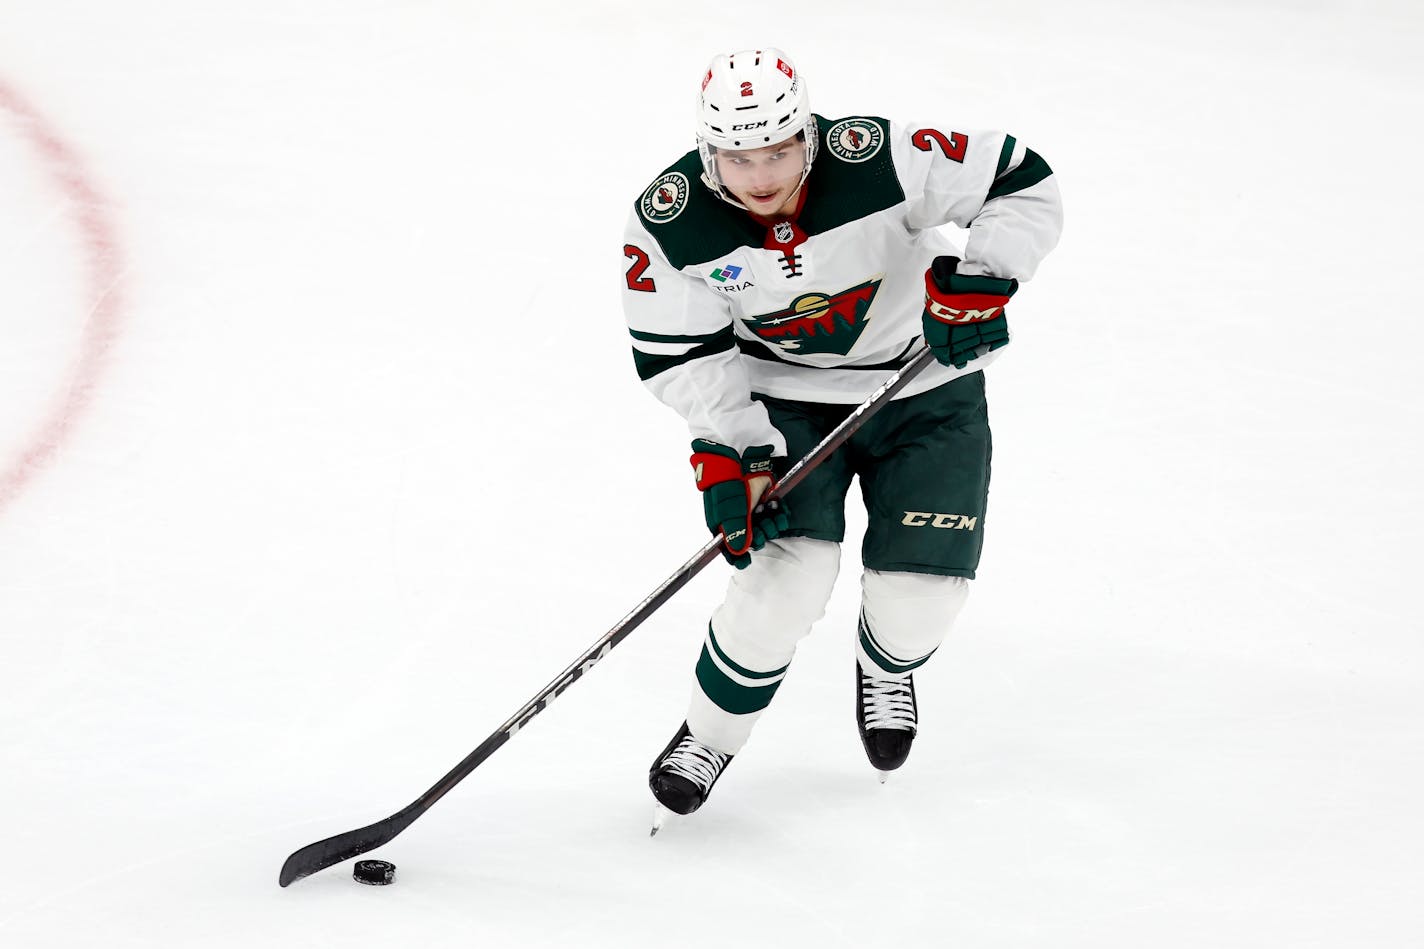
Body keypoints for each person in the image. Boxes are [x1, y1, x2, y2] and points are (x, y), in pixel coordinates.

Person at [620, 47, 1063, 821]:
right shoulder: (672, 220)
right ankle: (710, 733)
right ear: (706, 149)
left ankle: (887, 663)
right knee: (782, 584)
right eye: (736, 156)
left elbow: (1020, 180)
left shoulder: (882, 156)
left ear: (810, 135)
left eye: (779, 151)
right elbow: (683, 351)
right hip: (782, 401)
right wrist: (730, 450)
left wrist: (984, 280)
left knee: (918, 599)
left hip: (924, 387)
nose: (760, 176)